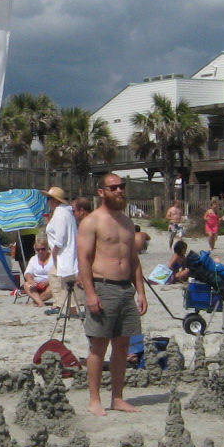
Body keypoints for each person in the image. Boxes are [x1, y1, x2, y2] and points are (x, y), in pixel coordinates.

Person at [77, 172, 146, 415]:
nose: (119, 191)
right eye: (113, 187)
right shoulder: (92, 222)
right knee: (99, 345)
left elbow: (134, 260)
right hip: (102, 286)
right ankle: (95, 400)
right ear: (101, 192)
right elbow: (83, 259)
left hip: (124, 289)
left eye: (122, 187)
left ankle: (117, 397)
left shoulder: (127, 223)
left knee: (123, 344)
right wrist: (91, 293)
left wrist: (141, 292)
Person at [43, 187, 79, 318]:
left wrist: (54, 252)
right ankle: (65, 307)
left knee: (67, 282)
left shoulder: (59, 214)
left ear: (54, 201)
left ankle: (71, 310)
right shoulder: (66, 212)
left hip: (64, 253)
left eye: (48, 199)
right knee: (59, 279)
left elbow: (60, 237)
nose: (47, 202)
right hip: (68, 252)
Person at [21, 240, 54, 310]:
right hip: (37, 283)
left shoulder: (53, 258)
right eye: (38, 250)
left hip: (50, 282)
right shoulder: (33, 259)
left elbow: (57, 273)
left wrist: (47, 281)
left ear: (47, 248)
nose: (40, 252)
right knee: (27, 284)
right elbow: (28, 273)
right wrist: (31, 281)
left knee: (53, 287)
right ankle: (40, 303)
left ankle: (37, 301)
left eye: (43, 249)